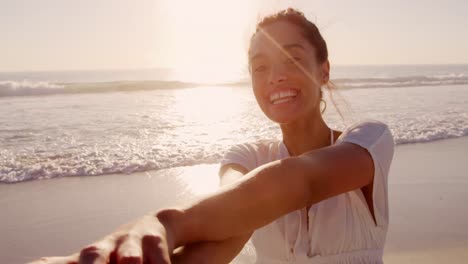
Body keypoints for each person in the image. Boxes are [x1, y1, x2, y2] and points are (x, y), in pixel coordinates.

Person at [33, 8, 394, 264]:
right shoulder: (247, 157)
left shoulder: (368, 140)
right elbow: (225, 229)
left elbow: (299, 181)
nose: (275, 77)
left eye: (292, 59)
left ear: (324, 70)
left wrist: (164, 222)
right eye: (260, 67)